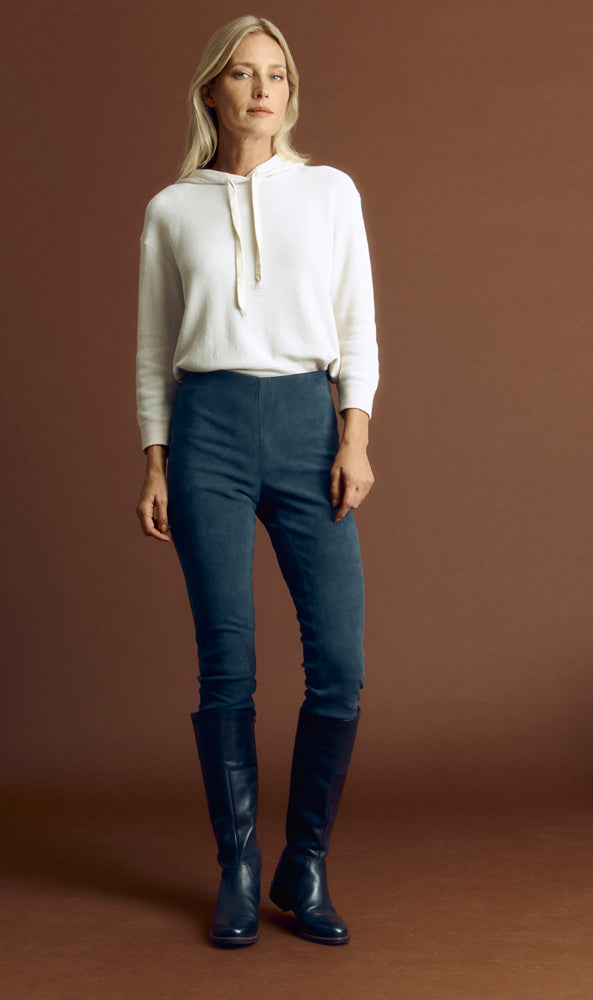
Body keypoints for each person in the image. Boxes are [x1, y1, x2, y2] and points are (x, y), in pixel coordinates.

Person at [135, 15, 379, 948]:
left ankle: (303, 862)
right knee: (226, 662)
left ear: (290, 91)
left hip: (308, 426)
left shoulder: (328, 192)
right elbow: (154, 347)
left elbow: (355, 324)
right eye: (241, 74)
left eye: (275, 74)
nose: (261, 89)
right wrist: (155, 457)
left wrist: (353, 437)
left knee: (339, 665)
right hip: (209, 432)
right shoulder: (171, 208)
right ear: (212, 90)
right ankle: (237, 866)